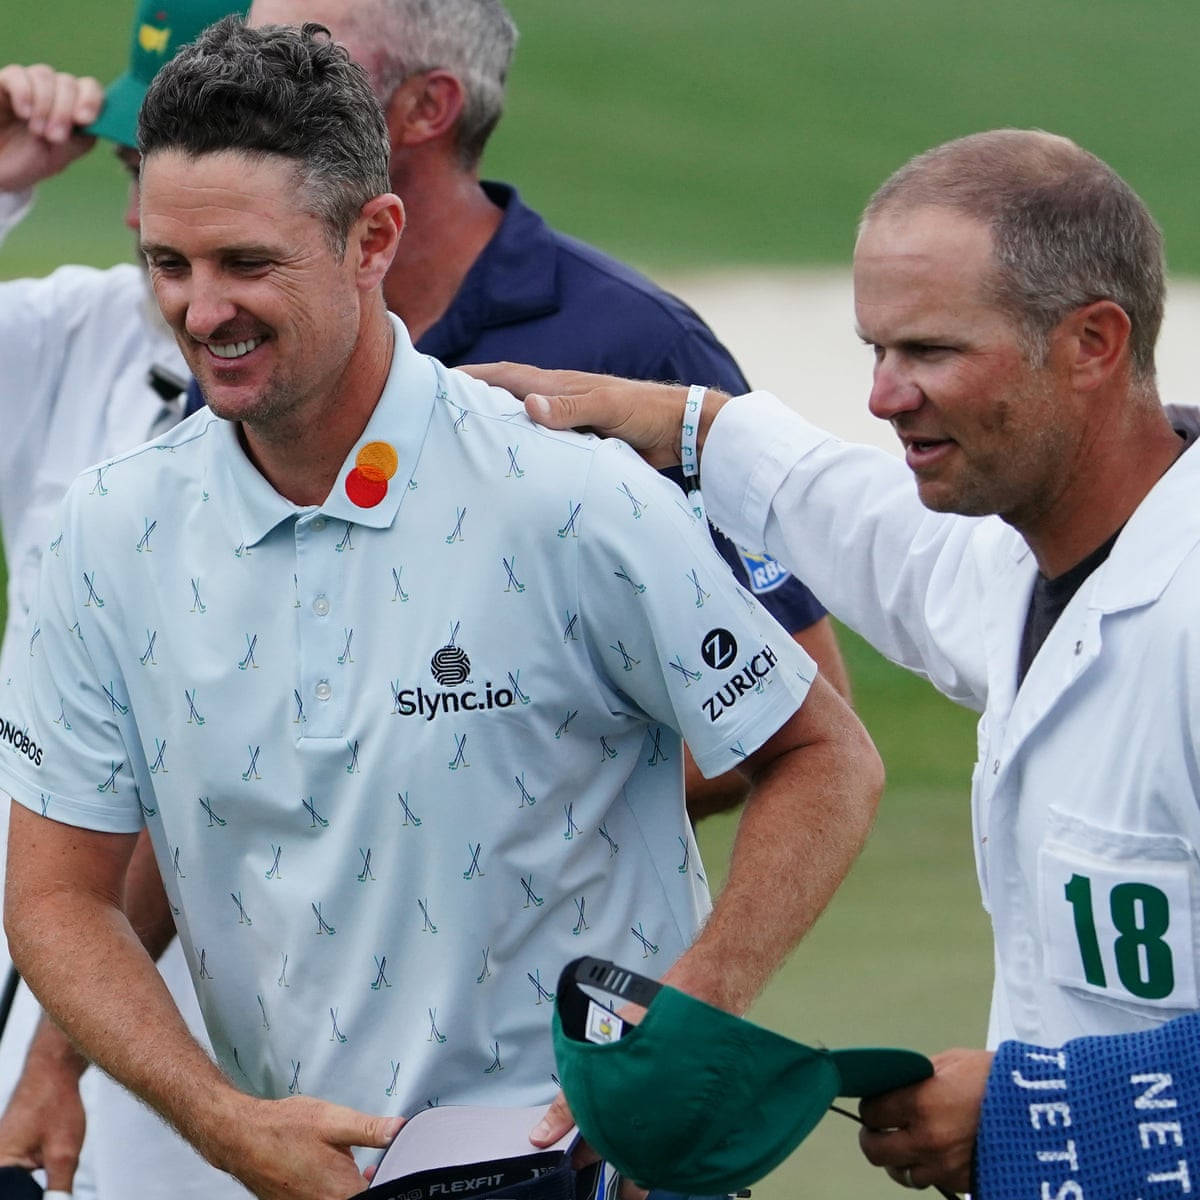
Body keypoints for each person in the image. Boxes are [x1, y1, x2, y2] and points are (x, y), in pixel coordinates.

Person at [0, 20, 882, 1200]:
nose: (203, 311)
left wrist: (689, 1017)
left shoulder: (567, 492)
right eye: (172, 265)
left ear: (372, 239)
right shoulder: (108, 533)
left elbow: (823, 754)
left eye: (248, 265)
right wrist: (216, 1120)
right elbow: (57, 892)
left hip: (583, 1174)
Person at [470, 129, 1200, 1197]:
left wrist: (1037, 1112)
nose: (884, 396)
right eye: (876, 350)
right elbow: (868, 530)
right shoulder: (1023, 558)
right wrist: (681, 425)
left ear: (1092, 342)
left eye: (932, 353)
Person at [242, 0, 852, 822]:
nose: (247, 85)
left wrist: (485, 831)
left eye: (306, 55)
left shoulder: (637, 346)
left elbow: (795, 698)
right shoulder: (249, 333)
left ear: (429, 107)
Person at [0, 4, 253, 1198]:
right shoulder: (78, 330)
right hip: (39, 939)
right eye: (129, 162)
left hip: (233, 1005)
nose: (141, 203)